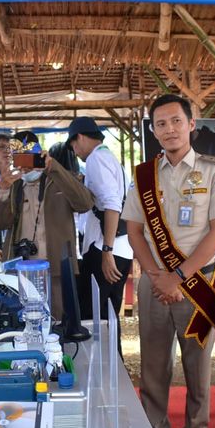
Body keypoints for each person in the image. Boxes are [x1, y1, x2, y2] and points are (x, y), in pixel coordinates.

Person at [122, 94, 215, 428]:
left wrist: (178, 275)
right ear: (153, 131)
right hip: (155, 284)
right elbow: (135, 231)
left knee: (197, 368)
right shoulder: (143, 175)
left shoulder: (214, 170)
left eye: (175, 121)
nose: (168, 129)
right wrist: (157, 275)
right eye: (160, 124)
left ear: (192, 124)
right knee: (153, 367)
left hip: (197, 285)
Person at [0, 131, 93, 320]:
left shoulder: (59, 180)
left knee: (57, 321)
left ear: (39, 154)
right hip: (20, 269)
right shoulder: (14, 185)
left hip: (55, 268)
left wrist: (54, 167)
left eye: (27, 158)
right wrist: (3, 190)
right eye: (18, 159)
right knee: (23, 321)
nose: (23, 166)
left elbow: (85, 204)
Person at [68, 116, 133, 349]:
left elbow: (112, 204)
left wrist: (107, 251)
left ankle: (98, 373)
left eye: (73, 144)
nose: (74, 151)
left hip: (105, 248)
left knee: (92, 317)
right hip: (123, 248)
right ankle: (115, 371)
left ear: (82, 138)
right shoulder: (110, 158)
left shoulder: (95, 159)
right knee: (109, 317)